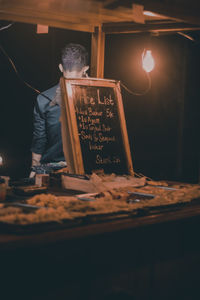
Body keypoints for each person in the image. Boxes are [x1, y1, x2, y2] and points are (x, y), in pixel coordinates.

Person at [30, 43, 89, 176]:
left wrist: (34, 170)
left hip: (52, 172)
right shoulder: (96, 98)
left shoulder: (43, 98)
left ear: (60, 67)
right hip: (85, 171)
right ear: (85, 68)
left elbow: (39, 139)